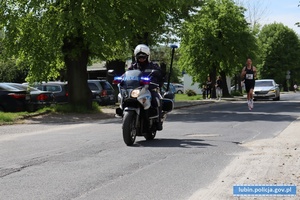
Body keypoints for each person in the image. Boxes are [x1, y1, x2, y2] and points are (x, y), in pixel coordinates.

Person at [128, 44, 164, 130]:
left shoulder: (153, 66)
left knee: (156, 99)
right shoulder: (133, 66)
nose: (141, 59)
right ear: (136, 57)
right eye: (139, 57)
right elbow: (127, 74)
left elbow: (160, 75)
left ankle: (158, 121)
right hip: (136, 89)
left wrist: (158, 74)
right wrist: (121, 79)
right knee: (127, 98)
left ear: (147, 56)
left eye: (143, 57)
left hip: (149, 88)